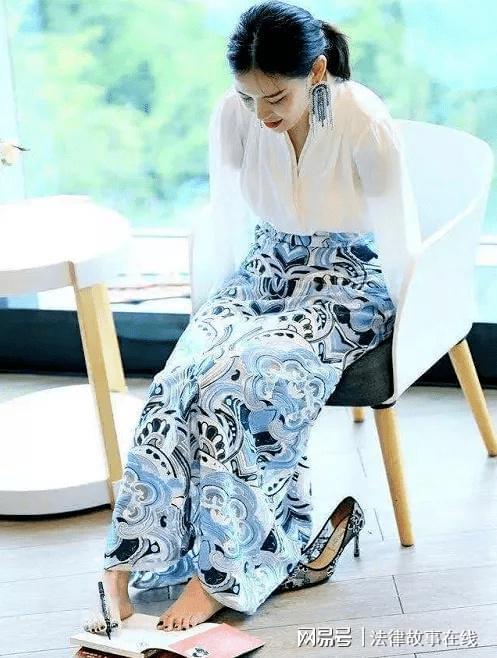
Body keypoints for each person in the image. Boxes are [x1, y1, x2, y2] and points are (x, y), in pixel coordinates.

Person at [84, 0, 421, 635]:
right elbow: (227, 215)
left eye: (276, 98)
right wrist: (213, 317)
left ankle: (220, 576)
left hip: (346, 284)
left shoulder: (362, 118)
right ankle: (127, 561)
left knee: (240, 384)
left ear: (315, 72)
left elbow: (399, 232)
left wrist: (410, 329)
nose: (261, 114)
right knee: (180, 379)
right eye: (248, 97)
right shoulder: (233, 113)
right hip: (262, 271)